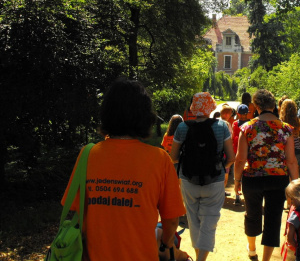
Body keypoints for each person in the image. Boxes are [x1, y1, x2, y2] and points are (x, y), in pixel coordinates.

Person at [61, 78, 186, 261]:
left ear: (106, 114)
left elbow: (75, 211)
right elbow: (172, 219)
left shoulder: (87, 155)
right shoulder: (159, 159)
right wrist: (165, 244)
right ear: (145, 117)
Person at [234, 89, 299, 261]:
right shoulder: (286, 129)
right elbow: (291, 161)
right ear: (273, 105)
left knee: (252, 215)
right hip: (278, 180)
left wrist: (236, 180)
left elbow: (240, 159)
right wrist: (296, 184)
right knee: (273, 219)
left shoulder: (247, 128)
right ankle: (266, 259)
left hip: (252, 178)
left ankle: (252, 250)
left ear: (255, 106)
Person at [170, 92, 235, 261]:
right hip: (215, 180)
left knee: (193, 220)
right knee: (209, 221)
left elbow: (174, 157)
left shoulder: (183, 127)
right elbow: (231, 157)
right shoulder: (222, 126)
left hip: (188, 179)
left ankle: (199, 255)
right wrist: (222, 167)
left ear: (193, 107)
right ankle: (201, 259)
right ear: (211, 106)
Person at [280, 98, 300, 209]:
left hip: (283, 150)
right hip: (296, 150)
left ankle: (288, 201)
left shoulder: (280, 122)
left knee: (285, 176)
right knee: (294, 177)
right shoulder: (297, 121)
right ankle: (292, 202)